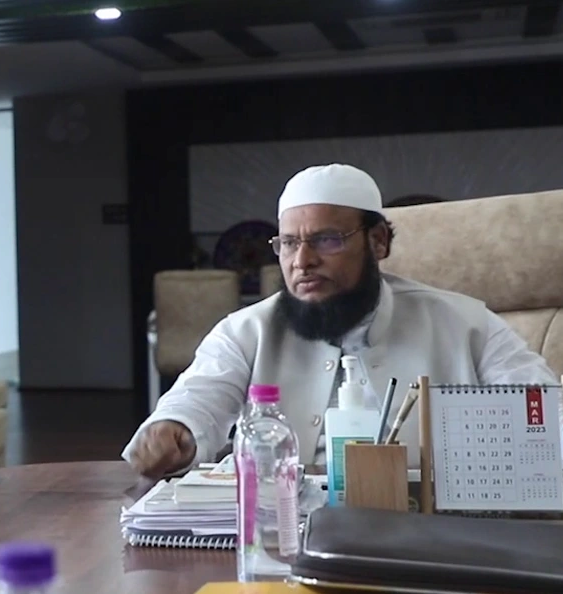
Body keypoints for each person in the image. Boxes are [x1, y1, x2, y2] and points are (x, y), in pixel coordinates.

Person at [125, 164, 557, 477]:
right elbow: (197, 398)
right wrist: (173, 431)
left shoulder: (465, 323)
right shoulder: (246, 330)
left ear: (379, 242)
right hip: (282, 533)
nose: (302, 261)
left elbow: (545, 408)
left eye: (327, 240)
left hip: (428, 529)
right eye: (289, 243)